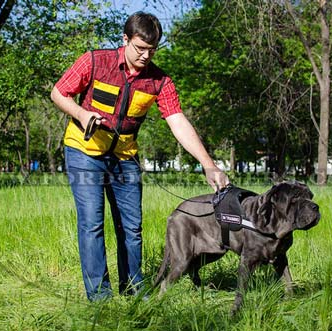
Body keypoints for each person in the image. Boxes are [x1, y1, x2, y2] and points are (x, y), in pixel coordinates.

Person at [50, 11, 229, 301]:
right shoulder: (96, 61)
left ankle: (134, 288)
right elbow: (58, 93)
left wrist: (208, 165)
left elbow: (177, 120)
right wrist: (81, 113)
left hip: (124, 158)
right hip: (84, 152)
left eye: (152, 50)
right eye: (140, 48)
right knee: (92, 224)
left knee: (132, 227)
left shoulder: (160, 81)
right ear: (125, 39)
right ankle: (100, 298)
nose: (146, 56)